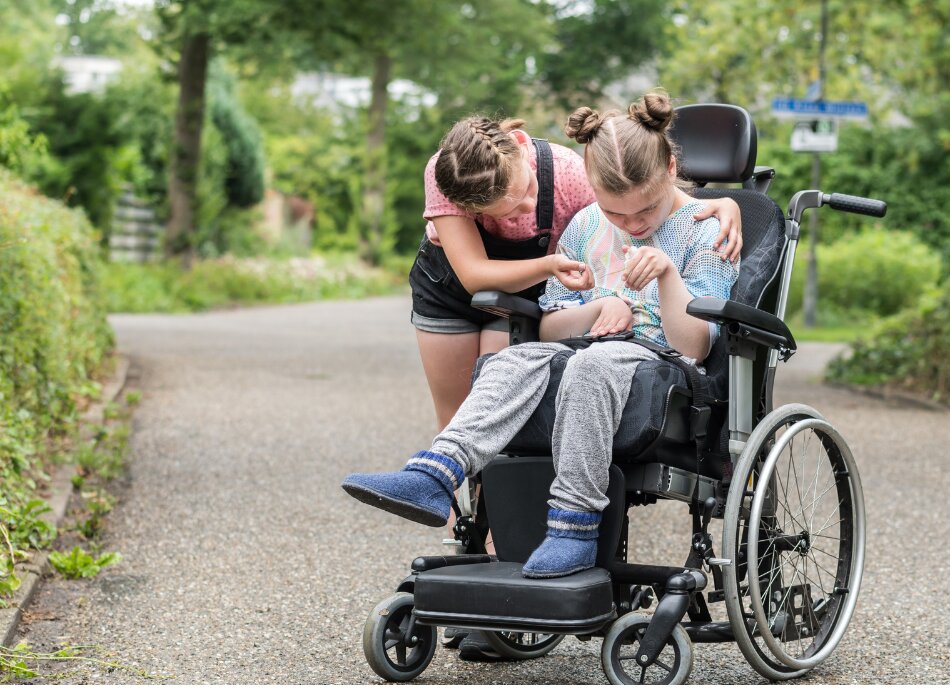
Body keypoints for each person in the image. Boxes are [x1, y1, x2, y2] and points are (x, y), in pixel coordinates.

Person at [345, 91, 740, 580]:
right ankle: (434, 473)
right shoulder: (586, 225)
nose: (632, 225)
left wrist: (666, 276)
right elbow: (552, 324)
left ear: (670, 170)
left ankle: (573, 527)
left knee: (593, 366)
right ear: (592, 187)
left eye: (645, 211)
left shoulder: (706, 232)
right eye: (617, 214)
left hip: (660, 362)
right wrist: (596, 307)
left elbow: (696, 346)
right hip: (581, 347)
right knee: (513, 359)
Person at [411, 113, 743, 431]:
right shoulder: (449, 173)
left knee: (500, 410)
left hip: (522, 296)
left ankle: (494, 487)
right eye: (506, 212)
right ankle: (437, 480)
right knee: (456, 415)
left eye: (528, 191)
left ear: (520, 144)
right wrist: (553, 268)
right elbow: (474, 276)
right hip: (450, 289)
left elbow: (638, 194)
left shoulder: (569, 173)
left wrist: (724, 204)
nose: (526, 208)